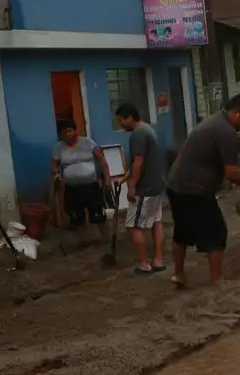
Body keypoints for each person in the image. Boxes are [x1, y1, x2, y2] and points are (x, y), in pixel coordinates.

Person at [165, 92, 240, 287]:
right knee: (217, 232)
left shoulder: (214, 121)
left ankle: (178, 274)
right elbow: (232, 172)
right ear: (236, 113)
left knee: (182, 231)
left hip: (175, 184)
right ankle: (217, 279)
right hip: (194, 189)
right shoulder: (226, 131)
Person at [114, 103, 166, 275]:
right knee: (156, 222)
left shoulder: (138, 134)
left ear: (130, 117)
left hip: (145, 189)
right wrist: (124, 178)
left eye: (121, 120)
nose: (120, 124)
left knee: (132, 226)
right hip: (157, 185)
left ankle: (144, 264)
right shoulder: (148, 129)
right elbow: (141, 160)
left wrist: (132, 186)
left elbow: (139, 162)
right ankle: (158, 260)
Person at [51, 118, 112, 248]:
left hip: (91, 185)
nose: (68, 134)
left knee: (99, 214)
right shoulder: (58, 148)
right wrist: (56, 174)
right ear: (60, 134)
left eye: (70, 131)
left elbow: (101, 160)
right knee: (76, 217)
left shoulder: (88, 142)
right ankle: (85, 242)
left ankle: (108, 240)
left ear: (74, 130)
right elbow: (54, 165)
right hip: (72, 188)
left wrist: (107, 178)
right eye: (64, 132)